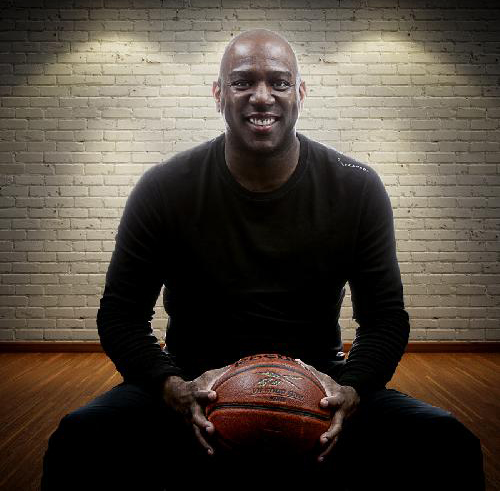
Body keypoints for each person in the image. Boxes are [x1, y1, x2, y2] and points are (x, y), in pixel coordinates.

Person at [41, 29, 485, 491]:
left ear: (300, 93)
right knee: (79, 437)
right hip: (193, 386)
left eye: (279, 82)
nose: (261, 97)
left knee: (447, 441)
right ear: (218, 94)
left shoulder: (356, 187)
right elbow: (120, 314)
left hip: (317, 385)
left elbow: (386, 318)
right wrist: (172, 388)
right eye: (241, 83)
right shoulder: (163, 187)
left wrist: (349, 390)